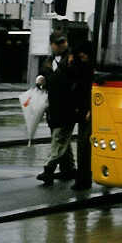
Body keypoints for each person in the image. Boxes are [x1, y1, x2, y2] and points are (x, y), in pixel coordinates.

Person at [36, 32, 76, 186]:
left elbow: (73, 79)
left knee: (59, 138)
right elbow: (45, 77)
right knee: (61, 138)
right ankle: (68, 169)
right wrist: (41, 80)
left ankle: (49, 169)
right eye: (58, 43)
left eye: (63, 42)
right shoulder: (48, 60)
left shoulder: (72, 59)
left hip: (68, 106)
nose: (61, 45)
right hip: (52, 107)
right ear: (52, 44)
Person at [70, 40, 94, 191]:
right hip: (83, 111)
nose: (82, 57)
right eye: (80, 55)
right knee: (83, 146)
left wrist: (91, 110)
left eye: (84, 55)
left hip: (89, 111)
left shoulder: (88, 69)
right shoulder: (82, 67)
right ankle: (83, 178)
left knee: (84, 146)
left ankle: (84, 179)